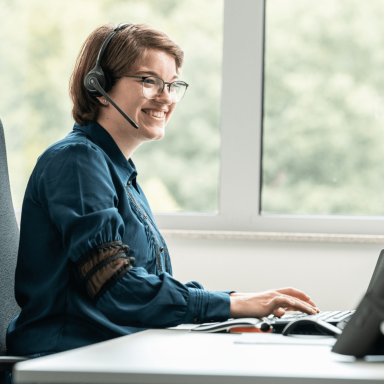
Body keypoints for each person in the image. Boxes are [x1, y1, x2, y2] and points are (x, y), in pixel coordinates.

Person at [6, 22, 318, 359]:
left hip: (114, 352)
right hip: (66, 359)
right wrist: (233, 304)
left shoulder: (119, 174)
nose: (166, 97)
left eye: (172, 84)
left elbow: (145, 288)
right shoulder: (77, 161)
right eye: (149, 80)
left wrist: (239, 301)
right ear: (98, 86)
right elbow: (117, 288)